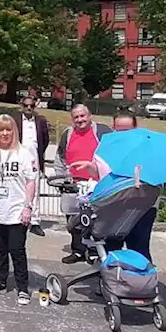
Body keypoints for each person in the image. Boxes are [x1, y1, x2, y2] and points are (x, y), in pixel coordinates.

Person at [67, 109, 156, 261]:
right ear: (113, 128)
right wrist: (90, 167)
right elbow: (100, 174)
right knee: (111, 250)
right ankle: (112, 282)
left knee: (139, 249)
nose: (123, 135)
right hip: (113, 206)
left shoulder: (146, 147)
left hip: (141, 207)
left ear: (135, 128)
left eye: (127, 130)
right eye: (119, 130)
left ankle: (141, 282)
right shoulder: (105, 146)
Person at [0, 115, 39, 305]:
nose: (4, 133)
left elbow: (31, 181)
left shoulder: (24, 153)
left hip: (17, 211)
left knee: (17, 250)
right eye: (1, 130)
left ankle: (22, 288)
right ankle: (1, 282)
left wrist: (28, 207)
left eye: (8, 129)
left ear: (14, 131)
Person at [55, 104, 112, 263]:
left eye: (83, 116)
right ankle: (78, 250)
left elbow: (112, 155)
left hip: (95, 184)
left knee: (96, 220)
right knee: (74, 221)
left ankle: (95, 251)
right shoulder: (68, 133)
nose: (80, 120)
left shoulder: (102, 131)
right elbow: (60, 157)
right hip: (73, 184)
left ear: (89, 116)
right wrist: (61, 180)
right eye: (76, 117)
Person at [17, 96, 52, 237]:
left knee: (35, 189)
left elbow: (45, 140)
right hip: (18, 159)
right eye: (26, 106)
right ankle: (19, 217)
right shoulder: (16, 120)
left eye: (31, 106)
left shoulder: (41, 121)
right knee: (18, 187)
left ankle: (35, 221)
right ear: (22, 106)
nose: (29, 108)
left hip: (34, 160)